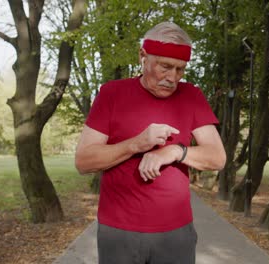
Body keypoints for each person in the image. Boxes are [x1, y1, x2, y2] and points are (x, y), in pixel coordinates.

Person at [75, 21, 226, 264]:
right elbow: (84, 161)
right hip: (119, 232)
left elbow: (217, 157)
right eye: (165, 66)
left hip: (176, 234)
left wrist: (174, 151)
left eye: (180, 69)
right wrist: (136, 144)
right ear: (143, 57)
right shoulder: (111, 94)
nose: (172, 77)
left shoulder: (192, 96)